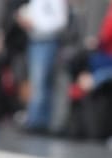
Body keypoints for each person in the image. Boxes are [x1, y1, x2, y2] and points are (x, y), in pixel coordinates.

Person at [16, 0, 67, 131]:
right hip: (34, 40)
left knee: (41, 82)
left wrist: (37, 25)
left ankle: (39, 122)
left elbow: (60, 21)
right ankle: (34, 118)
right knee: (35, 83)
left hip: (46, 41)